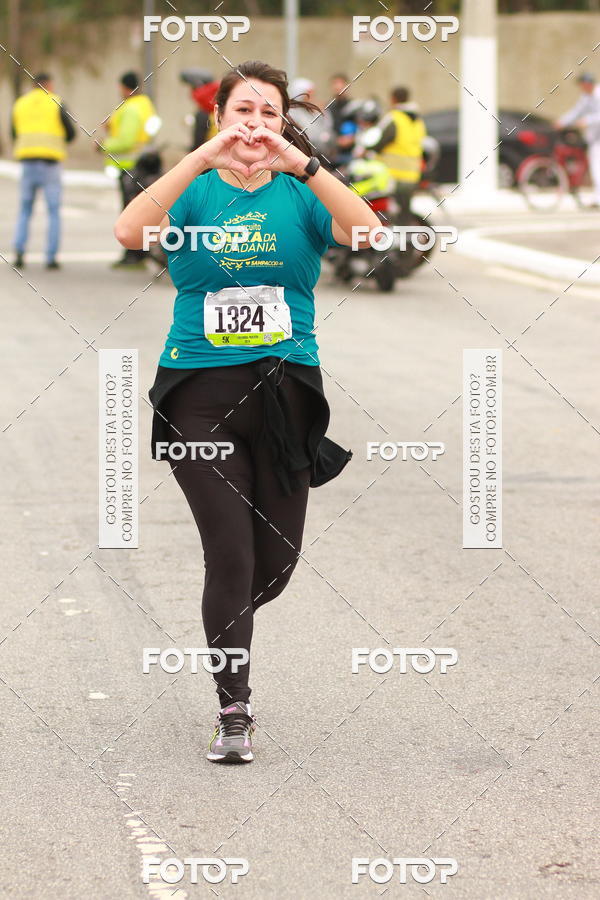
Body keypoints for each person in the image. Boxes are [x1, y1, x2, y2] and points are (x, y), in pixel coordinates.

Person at [114, 59, 379, 764]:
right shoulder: (196, 189)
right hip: (198, 395)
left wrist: (308, 163)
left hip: (287, 392)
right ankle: (235, 709)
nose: (255, 125)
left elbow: (369, 234)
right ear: (220, 118)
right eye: (242, 112)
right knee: (229, 553)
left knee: (275, 564)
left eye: (268, 113)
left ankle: (224, 626)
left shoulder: (301, 193)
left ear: (283, 122)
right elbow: (130, 231)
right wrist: (200, 156)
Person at [11, 72, 76, 269]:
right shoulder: (56, 102)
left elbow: (13, 132)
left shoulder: (20, 103)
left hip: (27, 162)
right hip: (51, 163)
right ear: (47, 84)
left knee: (25, 209)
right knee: (54, 211)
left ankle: (19, 252)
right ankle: (51, 257)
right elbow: (70, 132)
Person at [100, 71, 160, 267]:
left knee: (130, 211)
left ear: (125, 87)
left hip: (129, 167)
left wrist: (103, 144)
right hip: (143, 166)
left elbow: (126, 140)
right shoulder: (145, 105)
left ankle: (134, 255)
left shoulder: (131, 109)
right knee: (140, 209)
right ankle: (141, 252)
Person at [364, 86, 426, 221]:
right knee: (404, 211)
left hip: (392, 173)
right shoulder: (418, 121)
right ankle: (405, 238)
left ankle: (391, 238)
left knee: (389, 209)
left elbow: (380, 140)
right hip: (412, 173)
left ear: (393, 99)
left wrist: (368, 149)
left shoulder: (394, 118)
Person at [556, 72, 600, 209]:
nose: (582, 88)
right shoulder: (585, 98)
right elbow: (576, 112)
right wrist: (562, 121)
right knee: (595, 167)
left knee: (597, 167)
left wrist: (587, 120)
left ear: (588, 83)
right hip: (595, 138)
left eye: (583, 85)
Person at [288, 77, 336, 166]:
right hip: (304, 158)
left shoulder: (312, 111)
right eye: (309, 94)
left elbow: (326, 129)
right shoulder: (291, 113)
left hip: (322, 157)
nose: (312, 97)